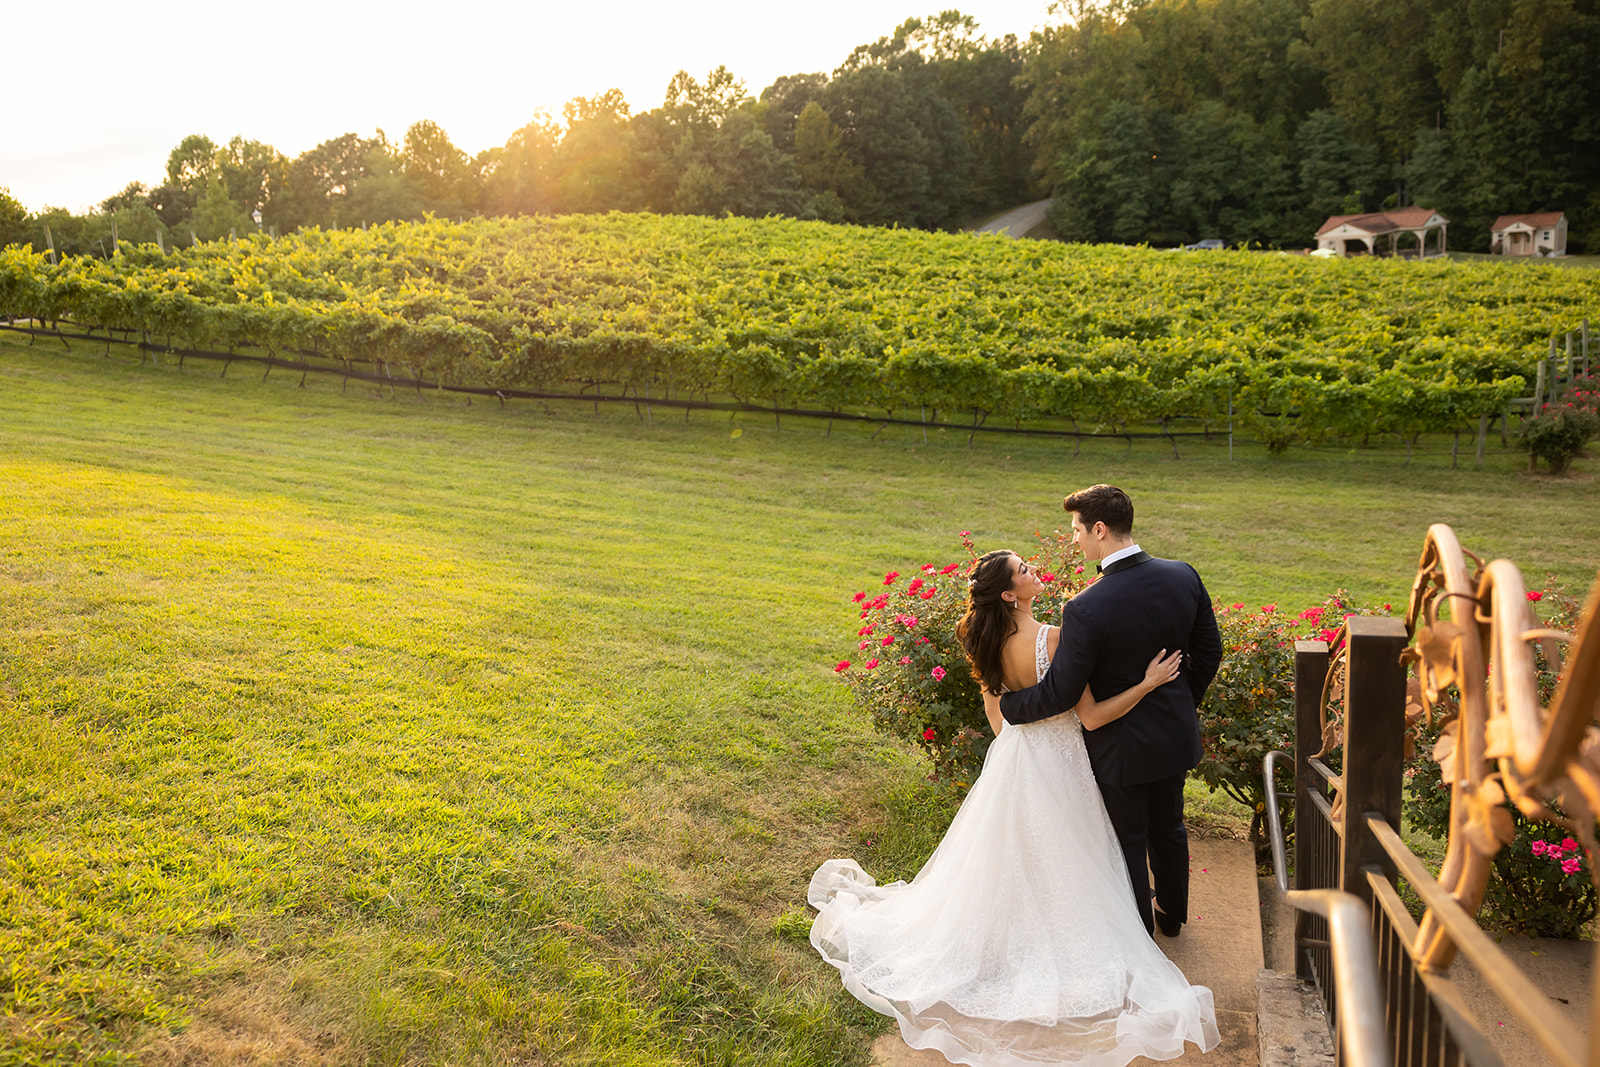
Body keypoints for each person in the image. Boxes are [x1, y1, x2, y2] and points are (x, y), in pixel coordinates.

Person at [809, 548, 1220, 1066]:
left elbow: (999, 721)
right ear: (1009, 593)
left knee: (1008, 854)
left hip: (1015, 759)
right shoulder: (1056, 638)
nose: (1033, 571)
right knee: (1074, 853)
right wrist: (1148, 683)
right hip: (1064, 761)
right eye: (1024, 570)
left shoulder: (981, 639)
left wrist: (1021, 745)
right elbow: (1091, 718)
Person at [993, 484, 1222, 939]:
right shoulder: (1183, 575)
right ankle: (1172, 916)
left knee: (1129, 840)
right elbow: (1209, 652)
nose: (1075, 539)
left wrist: (1009, 704)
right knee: (1170, 826)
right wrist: (1178, 703)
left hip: (1119, 744)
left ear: (1099, 529)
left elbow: (1061, 692)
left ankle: (1141, 936)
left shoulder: (1085, 607)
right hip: (1173, 735)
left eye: (1077, 530)